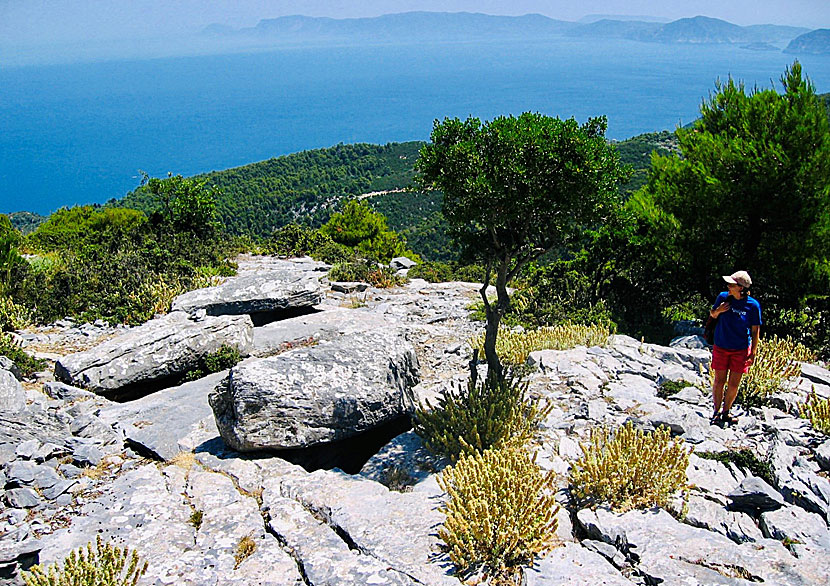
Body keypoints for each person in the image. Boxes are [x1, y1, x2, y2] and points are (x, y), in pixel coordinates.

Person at [709, 271, 762, 425]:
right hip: (721, 345)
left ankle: (726, 412)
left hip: (740, 349)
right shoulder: (723, 297)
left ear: (740, 288)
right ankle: (716, 411)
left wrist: (753, 353)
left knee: (734, 383)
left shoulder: (753, 305)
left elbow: (755, 330)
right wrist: (719, 310)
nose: (728, 286)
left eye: (732, 284)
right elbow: (712, 314)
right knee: (719, 381)